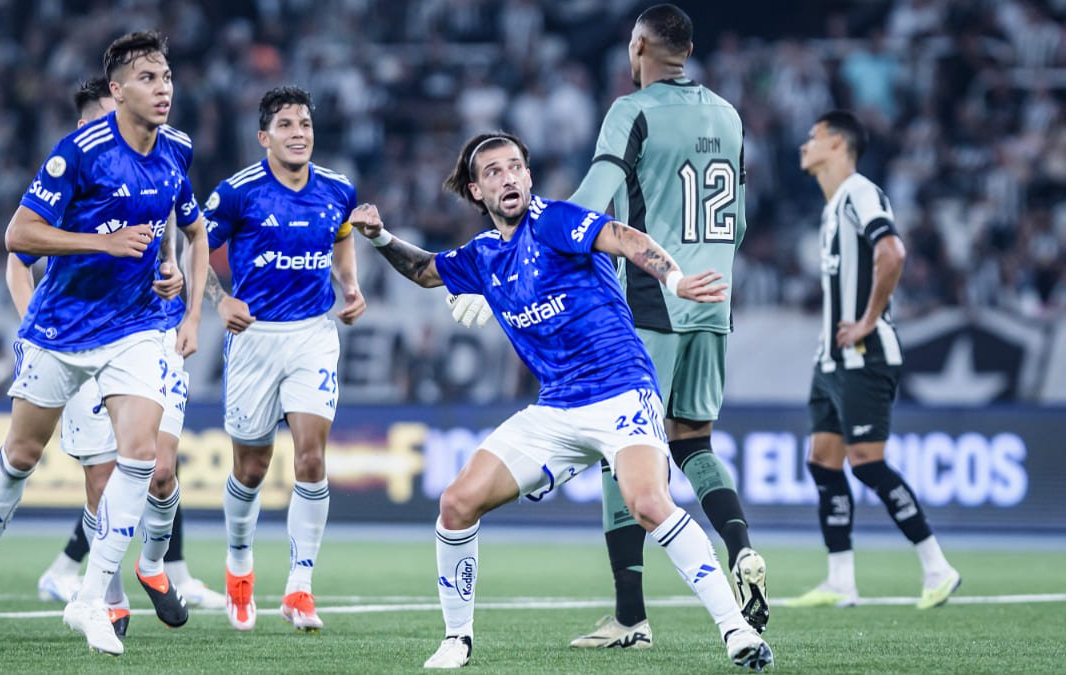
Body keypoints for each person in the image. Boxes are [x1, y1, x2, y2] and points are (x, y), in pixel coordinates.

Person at [354, 131, 772, 671]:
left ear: (528, 176)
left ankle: (736, 630)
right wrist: (380, 237)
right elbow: (425, 271)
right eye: (494, 172)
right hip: (556, 409)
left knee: (648, 503)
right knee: (456, 504)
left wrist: (673, 279)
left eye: (515, 167)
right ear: (477, 191)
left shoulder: (553, 220)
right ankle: (457, 639)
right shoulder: (484, 255)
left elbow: (623, 236)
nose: (508, 178)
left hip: (621, 390)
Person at [448, 4, 769, 644]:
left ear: (638, 46)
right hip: (713, 297)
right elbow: (733, 216)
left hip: (653, 300)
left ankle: (630, 614)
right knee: (693, 442)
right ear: (689, 49)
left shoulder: (632, 109)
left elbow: (588, 208)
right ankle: (741, 548)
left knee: (618, 453)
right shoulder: (729, 115)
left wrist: (514, 266)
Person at [0, 31, 210, 656]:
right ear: (118, 90)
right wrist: (102, 243)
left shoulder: (177, 149)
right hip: (63, 326)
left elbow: (185, 224)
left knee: (140, 456)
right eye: (148, 78)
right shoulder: (80, 152)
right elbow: (18, 235)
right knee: (20, 455)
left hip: (135, 326)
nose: (163, 88)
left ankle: (92, 597)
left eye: (167, 76)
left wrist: (172, 272)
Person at [14, 77, 223, 632]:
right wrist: (37, 330)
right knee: (102, 481)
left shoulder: (161, 157)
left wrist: (177, 277)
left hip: (148, 334)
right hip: (78, 338)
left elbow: (179, 230)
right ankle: (106, 592)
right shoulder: (68, 177)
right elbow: (18, 256)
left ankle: (157, 566)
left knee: (159, 468)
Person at [202, 86, 366, 633]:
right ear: (264, 137)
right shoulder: (238, 193)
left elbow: (342, 236)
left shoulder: (338, 188)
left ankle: (300, 587)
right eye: (287, 125)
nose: (299, 134)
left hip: (312, 335)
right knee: (250, 469)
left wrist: (350, 285)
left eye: (305, 124)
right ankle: (239, 564)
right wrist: (219, 299)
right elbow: (192, 245)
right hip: (254, 338)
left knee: (311, 460)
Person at [787, 110, 960, 609]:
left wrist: (867, 320)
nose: (804, 144)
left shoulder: (861, 193)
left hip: (864, 354)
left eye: (814, 136)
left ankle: (937, 567)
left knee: (866, 463)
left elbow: (893, 252)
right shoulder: (832, 208)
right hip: (831, 360)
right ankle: (841, 580)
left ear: (838, 145)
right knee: (824, 462)